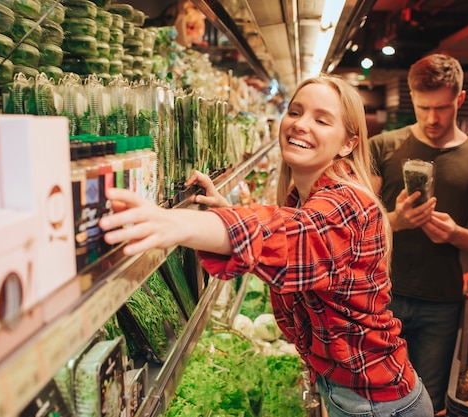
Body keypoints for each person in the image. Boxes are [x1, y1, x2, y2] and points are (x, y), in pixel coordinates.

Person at [100, 74, 434, 416]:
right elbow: (289, 232)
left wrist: (176, 223)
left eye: (321, 120)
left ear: (348, 143)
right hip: (355, 393)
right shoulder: (306, 197)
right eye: (295, 111)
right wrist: (225, 211)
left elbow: (294, 235)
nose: (301, 124)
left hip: (376, 405)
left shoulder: (346, 203)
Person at [369, 53, 468, 413]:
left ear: (460, 100)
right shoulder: (382, 147)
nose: (433, 118)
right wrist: (396, 220)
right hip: (380, 295)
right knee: (375, 397)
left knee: (428, 404)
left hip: (441, 303)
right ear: (412, 98)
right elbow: (355, 227)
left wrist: (456, 234)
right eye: (424, 106)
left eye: (443, 108)